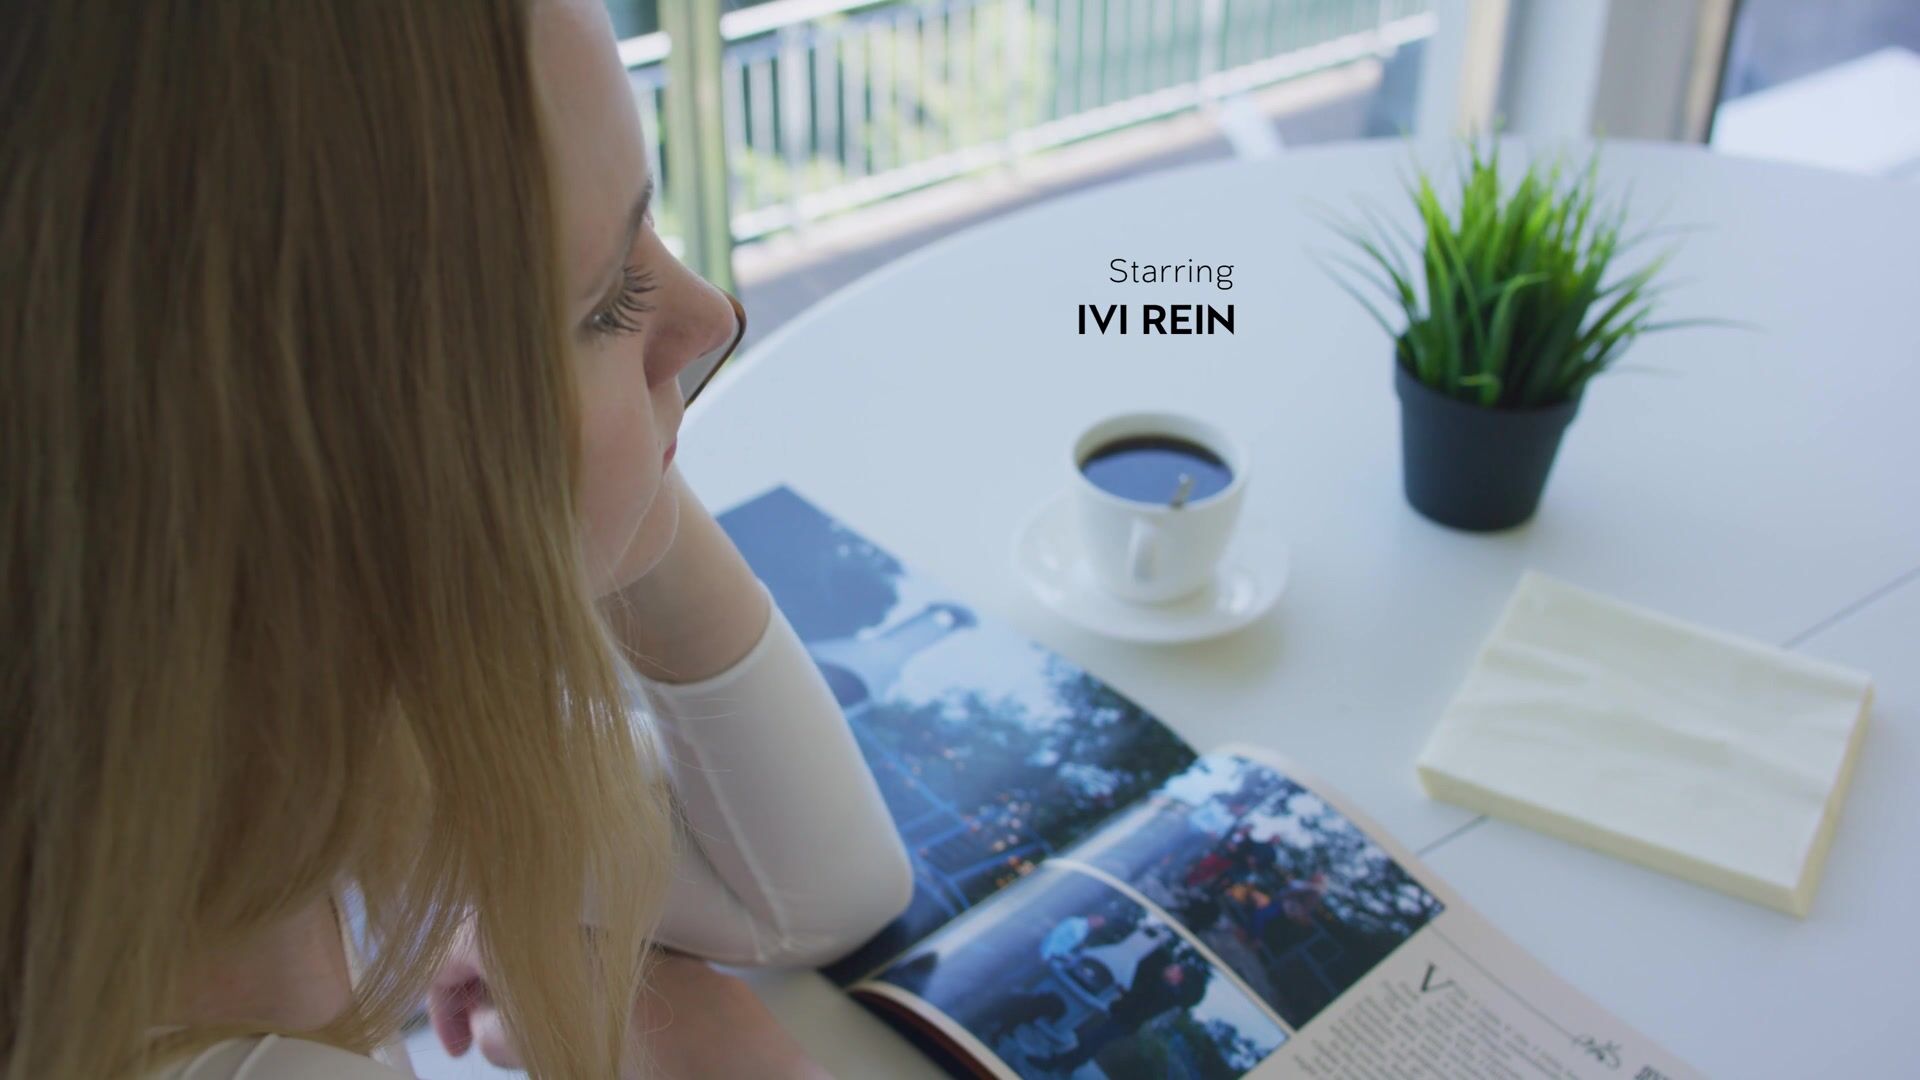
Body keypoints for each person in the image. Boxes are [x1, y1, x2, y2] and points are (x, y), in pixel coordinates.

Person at [1, 2, 916, 1078]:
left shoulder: (294, 727)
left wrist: (608, 465)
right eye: (609, 302)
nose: (711, 318)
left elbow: (827, 895)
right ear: (310, 474)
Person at [1030, 939, 1209, 1075]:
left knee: (1090, 1042)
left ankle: (1056, 1065)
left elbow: (1139, 1004)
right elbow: (1141, 1001)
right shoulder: (1168, 993)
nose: (1169, 968)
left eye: (1173, 969)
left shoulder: (1164, 991)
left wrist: (1122, 999)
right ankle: (1064, 1065)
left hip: (1124, 1021)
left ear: (1178, 976)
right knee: (1091, 1042)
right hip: (1126, 1022)